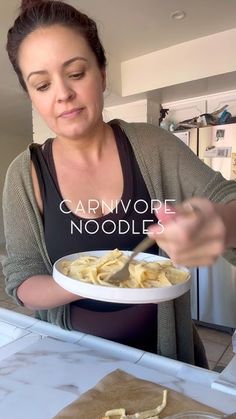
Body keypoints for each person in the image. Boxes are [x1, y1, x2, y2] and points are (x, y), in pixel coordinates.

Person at [3, 0, 236, 367]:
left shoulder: (152, 145)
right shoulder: (24, 173)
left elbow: (229, 198)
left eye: (76, 73)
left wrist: (217, 224)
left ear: (103, 74)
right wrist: (89, 280)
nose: (62, 93)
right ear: (32, 96)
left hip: (167, 364)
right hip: (69, 366)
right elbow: (21, 281)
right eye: (43, 84)